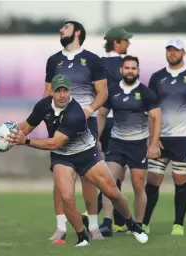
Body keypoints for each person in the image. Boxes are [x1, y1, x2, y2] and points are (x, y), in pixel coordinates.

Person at [7, 74, 149, 247]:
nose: (62, 95)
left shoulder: (75, 113)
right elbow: (27, 127)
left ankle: (132, 224)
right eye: (58, 90)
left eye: (65, 90)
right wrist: (11, 134)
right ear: (51, 92)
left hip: (86, 154)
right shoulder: (43, 106)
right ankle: (82, 236)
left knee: (113, 193)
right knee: (67, 197)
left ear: (70, 91)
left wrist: (26, 141)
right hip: (62, 156)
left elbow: (54, 142)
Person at [44, 21, 108, 242]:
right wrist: (48, 121)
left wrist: (89, 109)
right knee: (60, 178)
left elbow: (102, 93)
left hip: (85, 124)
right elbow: (47, 94)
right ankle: (61, 227)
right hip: (59, 125)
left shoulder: (92, 60)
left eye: (65, 27)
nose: (60, 30)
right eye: (60, 28)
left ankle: (93, 227)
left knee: (88, 178)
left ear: (77, 32)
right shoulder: (53, 60)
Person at [143, 39, 186, 235]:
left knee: (179, 179)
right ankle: (144, 222)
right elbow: (151, 111)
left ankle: (178, 224)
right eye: (169, 50)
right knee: (153, 180)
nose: (172, 53)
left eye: (176, 50)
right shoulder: (157, 78)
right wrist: (152, 138)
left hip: (183, 137)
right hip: (160, 137)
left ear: (183, 53)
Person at [97, 56, 162, 236]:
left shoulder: (146, 93)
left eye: (134, 68)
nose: (130, 71)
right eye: (127, 68)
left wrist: (154, 143)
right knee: (108, 182)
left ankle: (138, 226)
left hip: (138, 145)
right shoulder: (112, 91)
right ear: (121, 70)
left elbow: (157, 117)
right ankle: (107, 224)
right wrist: (97, 138)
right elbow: (102, 114)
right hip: (116, 143)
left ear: (138, 71)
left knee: (138, 185)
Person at [96, 27, 133, 235]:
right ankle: (109, 219)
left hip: (101, 121)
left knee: (109, 171)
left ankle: (113, 219)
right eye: (126, 41)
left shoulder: (98, 64)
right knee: (116, 172)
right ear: (116, 43)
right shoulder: (125, 66)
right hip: (120, 122)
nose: (128, 44)